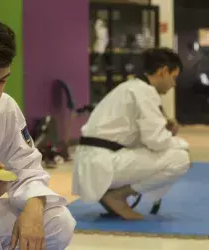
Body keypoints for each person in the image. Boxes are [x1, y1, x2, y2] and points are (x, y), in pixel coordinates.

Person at [0, 14, 76, 249]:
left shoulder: (4, 108)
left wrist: (33, 207)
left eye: (3, 80)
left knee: (56, 221)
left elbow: (27, 167)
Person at [72, 47, 191, 220]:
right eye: (174, 77)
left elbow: (142, 137)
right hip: (102, 162)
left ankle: (110, 193)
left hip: (93, 161)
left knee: (174, 151)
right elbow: (157, 142)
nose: (174, 84)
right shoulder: (145, 92)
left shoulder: (131, 87)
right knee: (180, 159)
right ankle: (117, 195)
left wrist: (166, 130)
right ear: (163, 71)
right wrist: (181, 144)